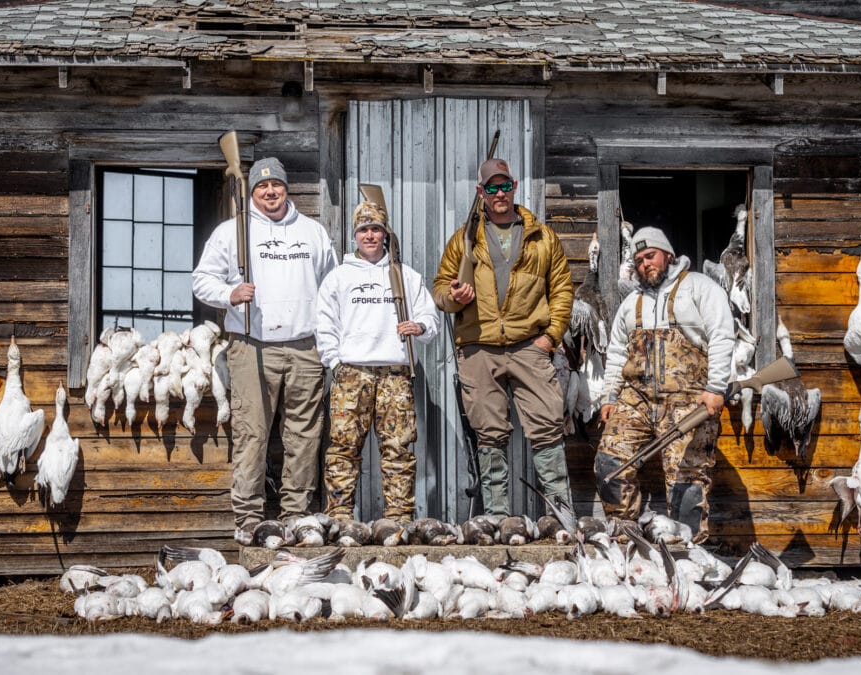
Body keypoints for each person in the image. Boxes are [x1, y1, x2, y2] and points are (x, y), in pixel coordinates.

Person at [192, 156, 337, 545]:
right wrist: (229, 293)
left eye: (276, 186)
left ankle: (295, 514)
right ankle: (249, 517)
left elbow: (331, 289)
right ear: (252, 191)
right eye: (262, 187)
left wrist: (328, 343)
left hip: (306, 347)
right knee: (252, 433)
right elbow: (201, 281)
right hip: (250, 345)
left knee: (304, 435)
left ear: (286, 188)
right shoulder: (231, 232)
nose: (270, 192)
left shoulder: (312, 233)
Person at [432, 157, 574, 517]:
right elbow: (439, 290)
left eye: (504, 186)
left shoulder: (542, 236)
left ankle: (562, 515)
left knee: (547, 428)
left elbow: (561, 290)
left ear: (514, 188)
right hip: (479, 347)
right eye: (491, 188)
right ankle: (497, 520)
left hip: (530, 345)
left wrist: (550, 338)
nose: (499, 194)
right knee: (489, 434)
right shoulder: (464, 239)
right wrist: (454, 298)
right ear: (481, 193)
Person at [594, 226, 735, 543]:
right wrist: (608, 396)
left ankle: (686, 554)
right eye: (639, 259)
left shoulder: (700, 288)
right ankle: (626, 542)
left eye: (651, 255)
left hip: (689, 401)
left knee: (687, 482)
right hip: (637, 400)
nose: (645, 264)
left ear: (668, 254)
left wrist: (715, 388)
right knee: (609, 464)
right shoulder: (632, 303)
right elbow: (616, 352)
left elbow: (722, 337)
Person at [315, 200, 439, 522]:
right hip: (352, 375)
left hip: (395, 375)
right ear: (355, 236)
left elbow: (430, 318)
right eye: (363, 230)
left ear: (385, 234)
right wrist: (336, 365)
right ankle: (341, 515)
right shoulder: (339, 277)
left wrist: (419, 326)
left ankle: (399, 517)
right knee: (343, 447)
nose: (370, 235)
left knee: (398, 449)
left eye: (376, 229)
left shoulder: (405, 276)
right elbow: (324, 325)